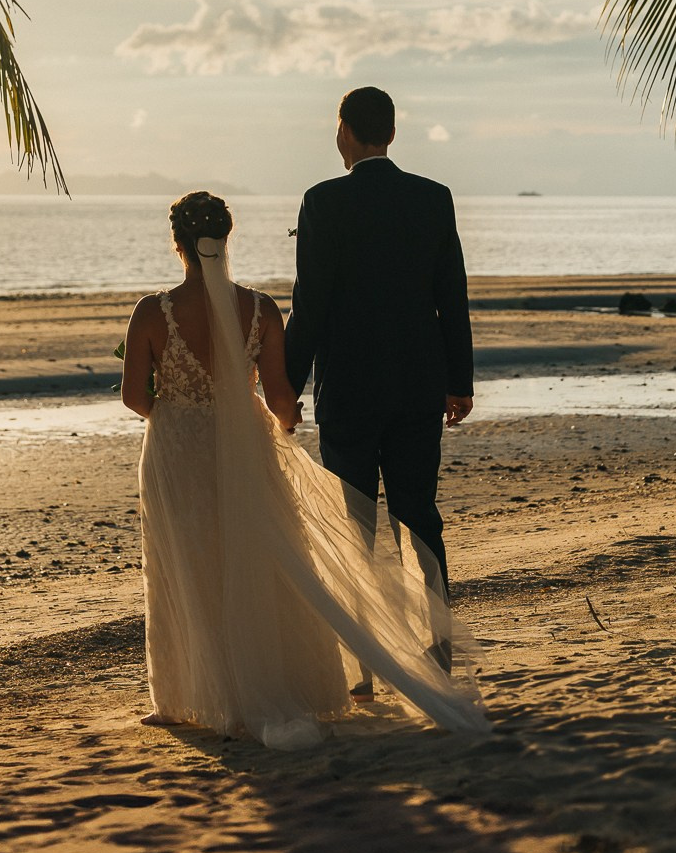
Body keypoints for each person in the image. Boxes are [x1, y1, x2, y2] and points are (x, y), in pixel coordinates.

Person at [119, 191, 487, 749]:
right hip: (247, 448)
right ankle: (274, 682)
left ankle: (182, 699)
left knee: (183, 562)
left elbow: (133, 398)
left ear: (178, 245)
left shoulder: (151, 311)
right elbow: (283, 398)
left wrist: (178, 413)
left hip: (177, 450)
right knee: (257, 562)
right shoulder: (262, 309)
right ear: (227, 237)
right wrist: (273, 427)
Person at [284, 87, 473, 658]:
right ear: (391, 133)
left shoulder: (323, 202)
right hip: (418, 386)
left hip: (350, 389)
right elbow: (452, 298)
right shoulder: (432, 198)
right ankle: (439, 643)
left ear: (345, 131)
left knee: (353, 524)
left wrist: (285, 388)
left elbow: (309, 306)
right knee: (419, 514)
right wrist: (459, 381)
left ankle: (361, 657)